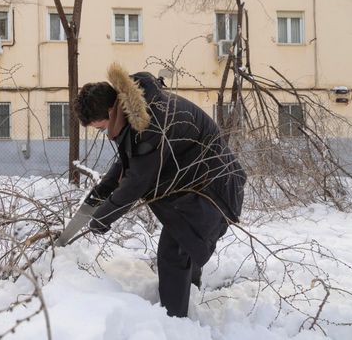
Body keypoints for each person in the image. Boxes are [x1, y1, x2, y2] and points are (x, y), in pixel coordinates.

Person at [74, 63, 247, 318]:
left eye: (100, 128)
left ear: (111, 111)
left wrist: (101, 218)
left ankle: (173, 323)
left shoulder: (151, 124)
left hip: (214, 188)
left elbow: (136, 182)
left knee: (173, 251)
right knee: (184, 244)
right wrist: (97, 197)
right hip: (198, 186)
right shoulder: (137, 111)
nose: (104, 134)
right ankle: (189, 301)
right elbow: (127, 163)